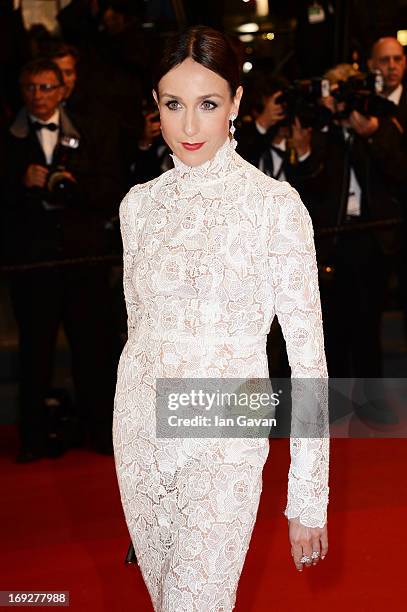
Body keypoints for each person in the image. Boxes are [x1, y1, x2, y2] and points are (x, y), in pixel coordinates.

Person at [113, 26, 329, 611]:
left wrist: (307, 496)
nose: (188, 127)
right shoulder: (139, 208)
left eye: (207, 105)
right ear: (155, 105)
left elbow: (309, 357)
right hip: (139, 433)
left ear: (235, 102)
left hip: (228, 426)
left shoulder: (275, 208)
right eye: (172, 105)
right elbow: (140, 337)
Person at [1, 59, 121, 462]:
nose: (39, 96)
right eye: (31, 88)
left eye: (47, 87)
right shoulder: (8, 138)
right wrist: (22, 183)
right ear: (22, 91)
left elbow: (110, 189)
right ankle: (33, 439)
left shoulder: (89, 130)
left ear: (62, 90)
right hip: (32, 264)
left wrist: (74, 188)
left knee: (93, 349)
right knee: (36, 352)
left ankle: (98, 432)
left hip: (83, 258)